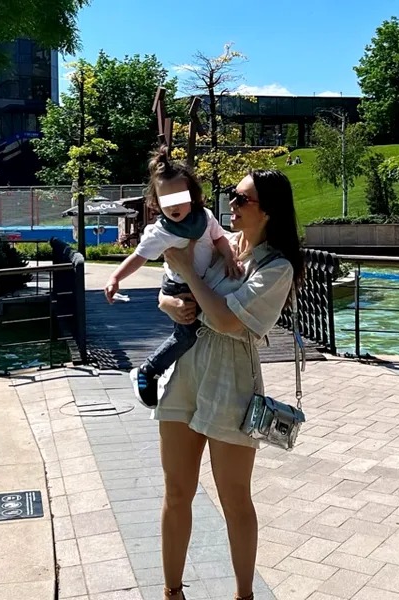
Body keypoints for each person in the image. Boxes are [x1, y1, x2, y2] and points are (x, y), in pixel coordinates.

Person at [154, 169, 303, 600]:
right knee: (176, 491)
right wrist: (167, 302)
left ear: (268, 211)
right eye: (231, 196)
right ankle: (172, 593)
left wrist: (189, 272)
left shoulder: (276, 267)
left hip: (231, 380)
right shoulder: (218, 243)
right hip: (185, 369)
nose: (231, 204)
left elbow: (224, 320)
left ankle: (244, 595)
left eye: (242, 199)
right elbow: (169, 289)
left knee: (235, 499)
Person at [104, 147, 241, 407]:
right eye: (166, 200)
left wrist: (230, 257)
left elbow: (219, 238)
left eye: (179, 198)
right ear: (156, 202)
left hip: (201, 282)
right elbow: (139, 257)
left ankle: (183, 378)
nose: (174, 206)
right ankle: (148, 370)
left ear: (192, 196)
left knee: (206, 328)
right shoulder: (161, 232)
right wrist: (115, 277)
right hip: (178, 286)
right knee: (187, 335)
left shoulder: (204, 218)